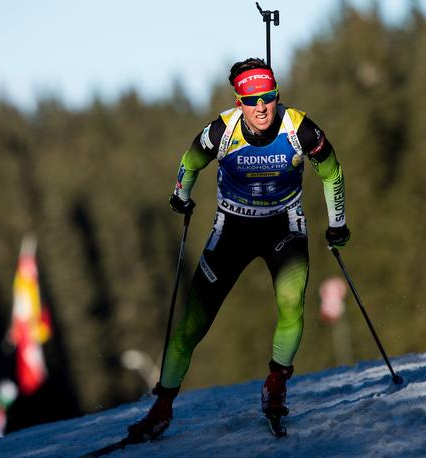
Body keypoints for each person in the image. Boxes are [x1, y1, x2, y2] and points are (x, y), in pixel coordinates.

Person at [127, 57, 350, 441]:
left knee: (291, 303)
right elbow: (189, 162)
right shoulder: (221, 131)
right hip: (233, 227)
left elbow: (332, 172)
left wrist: (337, 223)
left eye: (269, 97)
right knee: (192, 325)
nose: (262, 107)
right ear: (239, 101)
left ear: (276, 95)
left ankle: (277, 383)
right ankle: (162, 406)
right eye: (252, 100)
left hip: (285, 226)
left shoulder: (301, 129)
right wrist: (180, 196)